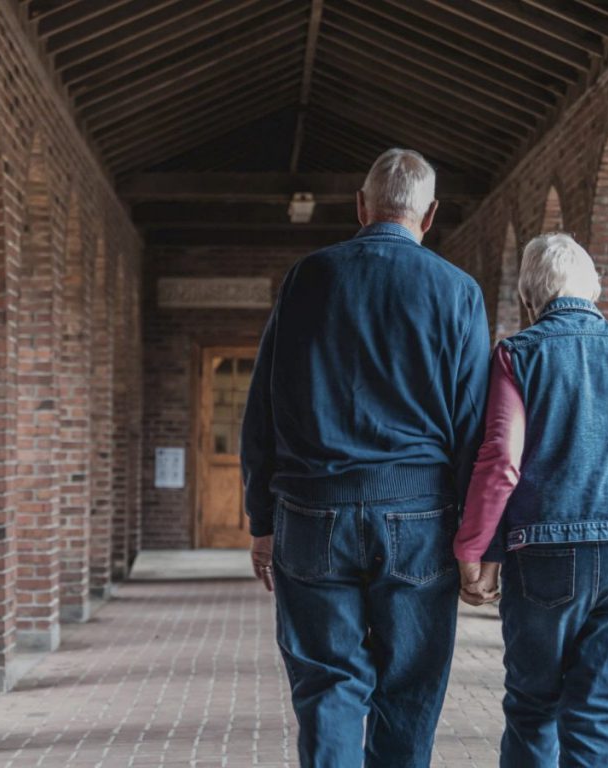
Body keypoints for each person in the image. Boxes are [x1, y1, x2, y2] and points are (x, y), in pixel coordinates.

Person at [240, 148, 492, 767]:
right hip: (419, 514)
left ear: (360, 206)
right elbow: (473, 429)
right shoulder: (458, 292)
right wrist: (475, 541)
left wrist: (261, 521)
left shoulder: (308, 278)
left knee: (327, 684)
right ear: (430, 215)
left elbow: (264, 407)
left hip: (310, 508)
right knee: (409, 687)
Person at [454, 233, 608, 768]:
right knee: (598, 713)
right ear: (595, 290)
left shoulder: (517, 355)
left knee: (533, 706)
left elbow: (501, 460)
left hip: (546, 556)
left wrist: (475, 550)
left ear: (527, 299)